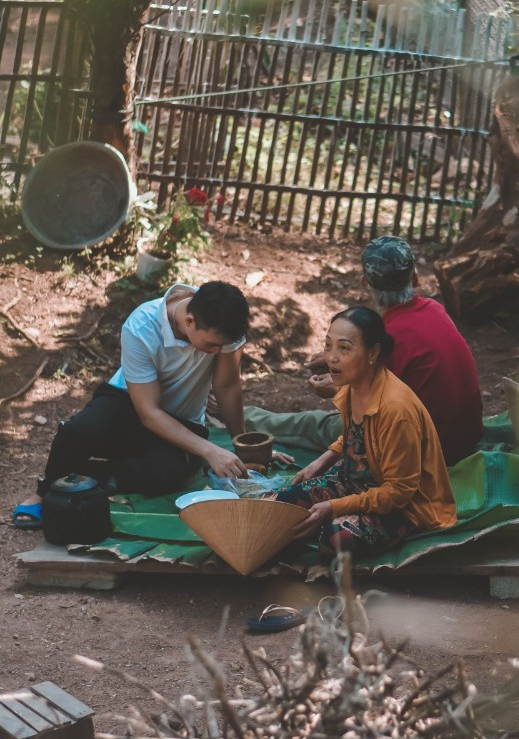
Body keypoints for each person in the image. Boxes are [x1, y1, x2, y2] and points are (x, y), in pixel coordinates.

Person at [14, 281, 252, 526]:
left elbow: (227, 386)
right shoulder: (142, 326)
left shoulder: (224, 325)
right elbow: (148, 412)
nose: (216, 351)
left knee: (167, 474)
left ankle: (80, 476)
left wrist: (244, 445)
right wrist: (209, 450)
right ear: (190, 321)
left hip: (183, 422)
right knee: (79, 431)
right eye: (211, 345)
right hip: (128, 406)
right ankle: (43, 493)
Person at [245, 235, 484, 466]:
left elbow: (367, 406)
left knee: (314, 423)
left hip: (425, 451)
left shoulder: (387, 340)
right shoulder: (434, 309)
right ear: (416, 279)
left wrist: (337, 389)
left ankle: (241, 416)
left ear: (364, 283)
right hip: (464, 438)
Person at [277, 306, 456, 558]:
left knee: (334, 538)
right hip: (355, 478)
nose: (332, 357)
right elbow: (355, 439)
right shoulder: (351, 386)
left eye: (344, 348)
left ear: (373, 353)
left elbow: (398, 492)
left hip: (402, 507)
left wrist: (334, 507)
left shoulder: (396, 411)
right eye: (329, 346)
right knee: (282, 505)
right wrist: (320, 461)